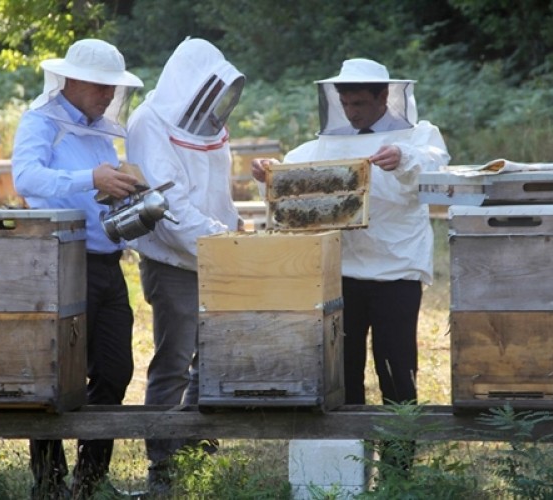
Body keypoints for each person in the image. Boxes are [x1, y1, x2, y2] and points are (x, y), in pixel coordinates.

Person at [252, 58, 449, 410]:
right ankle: (351, 462)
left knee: (397, 373)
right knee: (343, 375)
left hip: (397, 273)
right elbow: (290, 172)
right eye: (345, 104)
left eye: (358, 103)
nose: (351, 112)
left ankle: (397, 463)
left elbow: (434, 168)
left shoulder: (419, 136)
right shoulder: (328, 144)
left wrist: (404, 158)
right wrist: (267, 171)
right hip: (343, 274)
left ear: (384, 96)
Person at [11, 38, 144, 499]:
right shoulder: (41, 122)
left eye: (114, 88)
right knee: (55, 375)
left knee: (115, 370)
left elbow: (95, 194)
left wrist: (127, 192)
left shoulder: (99, 130)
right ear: (71, 80)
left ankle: (89, 482)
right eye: (101, 86)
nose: (109, 96)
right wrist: (91, 178)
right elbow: (26, 178)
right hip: (59, 261)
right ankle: (47, 482)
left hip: (107, 262)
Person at [125, 37, 244, 493]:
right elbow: (168, 207)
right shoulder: (148, 124)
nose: (214, 103)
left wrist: (231, 234)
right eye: (207, 91)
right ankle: (162, 464)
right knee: (174, 361)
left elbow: (218, 194)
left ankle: (197, 453)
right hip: (173, 261)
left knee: (212, 359)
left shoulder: (208, 127)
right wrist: (224, 241)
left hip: (216, 256)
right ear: (187, 84)